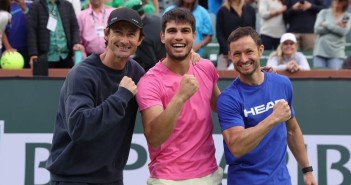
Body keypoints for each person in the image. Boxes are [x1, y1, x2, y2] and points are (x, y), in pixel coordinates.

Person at [46, 8, 145, 184]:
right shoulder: (82, 74)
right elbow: (79, 127)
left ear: (139, 40)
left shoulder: (136, 72)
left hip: (112, 179)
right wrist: (121, 96)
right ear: (106, 34)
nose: (124, 40)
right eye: (118, 32)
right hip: (72, 179)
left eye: (131, 34)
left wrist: (187, 62)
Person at [217, 27, 317, 185]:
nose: (243, 59)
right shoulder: (228, 99)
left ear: (260, 50)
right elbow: (237, 146)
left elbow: (292, 130)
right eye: (237, 54)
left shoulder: (282, 83)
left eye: (249, 51)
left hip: (281, 180)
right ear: (230, 56)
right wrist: (273, 118)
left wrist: (307, 170)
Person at [136, 8, 223, 185]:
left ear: (193, 36)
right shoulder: (149, 82)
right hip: (168, 179)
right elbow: (154, 137)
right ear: (162, 36)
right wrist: (180, 97)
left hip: (210, 175)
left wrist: (257, 78)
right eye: (172, 31)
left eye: (185, 31)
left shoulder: (206, 68)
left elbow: (220, 106)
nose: (178, 37)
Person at [27, 0, 83, 68]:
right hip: (44, 57)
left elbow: (74, 27)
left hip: (65, 57)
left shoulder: (68, 5)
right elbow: (31, 31)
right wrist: (33, 54)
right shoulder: (36, 5)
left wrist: (76, 42)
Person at [125, 0, 166, 72]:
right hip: (171, 64)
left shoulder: (141, 35)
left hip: (159, 73)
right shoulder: (158, 19)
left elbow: (150, 64)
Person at [216, 0, 256, 69]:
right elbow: (220, 35)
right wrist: (229, 52)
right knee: (221, 75)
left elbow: (253, 33)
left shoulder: (250, 10)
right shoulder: (222, 11)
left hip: (247, 53)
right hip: (226, 54)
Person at [313, 0, 351, 69]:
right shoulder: (324, 12)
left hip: (336, 53)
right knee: (319, 76)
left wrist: (326, 24)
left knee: (335, 77)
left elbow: (343, 32)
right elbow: (317, 29)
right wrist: (336, 26)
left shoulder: (347, 16)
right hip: (320, 51)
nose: (336, 3)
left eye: (340, 2)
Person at [2, 0, 31, 68]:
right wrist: (8, 47)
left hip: (28, 49)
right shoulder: (3, 5)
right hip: (10, 51)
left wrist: (24, 8)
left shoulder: (29, 4)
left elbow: (34, 23)